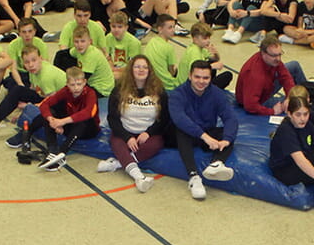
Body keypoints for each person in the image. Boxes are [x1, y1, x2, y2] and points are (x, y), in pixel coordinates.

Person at [168, 61, 237, 201]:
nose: (201, 81)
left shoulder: (216, 94)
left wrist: (226, 139)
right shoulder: (178, 94)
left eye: (205, 78)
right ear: (190, 76)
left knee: (227, 133)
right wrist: (204, 136)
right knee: (182, 130)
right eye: (197, 77)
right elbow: (180, 119)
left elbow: (230, 118)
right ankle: (193, 177)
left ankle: (216, 164)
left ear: (211, 78)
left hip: (205, 132)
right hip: (181, 136)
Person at [99, 56, 167, 192]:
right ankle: (139, 178)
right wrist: (126, 137)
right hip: (125, 131)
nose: (141, 70)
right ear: (131, 69)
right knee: (118, 144)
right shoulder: (119, 90)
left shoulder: (159, 91)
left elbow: (164, 119)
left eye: (144, 67)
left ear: (149, 70)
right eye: (137, 66)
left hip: (147, 133)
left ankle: (118, 163)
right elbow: (113, 118)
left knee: (156, 144)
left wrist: (148, 133)